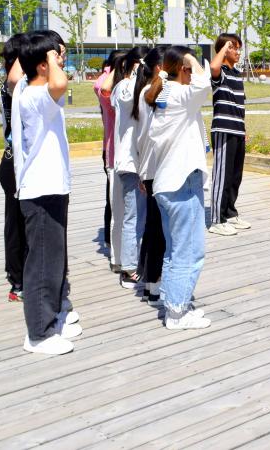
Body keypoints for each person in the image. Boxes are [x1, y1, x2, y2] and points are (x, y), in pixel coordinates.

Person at [11, 32, 81, 354]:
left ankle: (50, 320)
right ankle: (38, 333)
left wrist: (46, 51)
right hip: (41, 189)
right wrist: (51, 56)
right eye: (55, 57)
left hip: (50, 187)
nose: (61, 61)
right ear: (42, 65)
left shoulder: (29, 90)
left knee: (52, 260)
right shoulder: (35, 96)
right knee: (42, 264)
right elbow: (60, 83)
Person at [144, 46, 211, 330]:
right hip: (182, 182)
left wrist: (183, 63)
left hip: (167, 183)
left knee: (174, 251)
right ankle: (177, 313)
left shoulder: (163, 94)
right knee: (189, 252)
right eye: (190, 67)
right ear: (183, 69)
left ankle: (174, 303)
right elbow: (204, 84)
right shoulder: (180, 95)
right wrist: (191, 59)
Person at [108, 46, 150, 289]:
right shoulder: (124, 87)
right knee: (133, 217)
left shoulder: (140, 87)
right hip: (130, 163)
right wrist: (136, 72)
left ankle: (136, 263)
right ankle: (129, 269)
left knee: (141, 217)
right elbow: (125, 97)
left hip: (141, 162)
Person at [132, 49, 165, 305]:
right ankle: (154, 285)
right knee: (158, 232)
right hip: (157, 168)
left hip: (149, 168)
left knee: (153, 228)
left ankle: (148, 283)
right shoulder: (152, 94)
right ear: (160, 68)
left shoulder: (144, 92)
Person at [0, 33, 29, 302]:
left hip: (19, 161)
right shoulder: (14, 84)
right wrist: (24, 53)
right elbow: (14, 79)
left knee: (24, 221)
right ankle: (17, 279)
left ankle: (25, 274)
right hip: (14, 162)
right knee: (17, 223)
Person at [209, 33, 249, 236]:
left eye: (239, 48)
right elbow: (213, 67)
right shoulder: (221, 73)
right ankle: (217, 220)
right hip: (223, 129)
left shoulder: (237, 74)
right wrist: (224, 47)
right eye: (235, 48)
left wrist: (244, 129)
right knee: (222, 176)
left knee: (235, 176)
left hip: (237, 129)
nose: (238, 52)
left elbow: (239, 105)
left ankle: (230, 213)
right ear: (225, 50)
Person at [94, 50, 122, 255]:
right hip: (112, 149)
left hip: (120, 149)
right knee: (113, 199)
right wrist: (113, 70)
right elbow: (101, 88)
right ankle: (111, 240)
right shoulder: (106, 84)